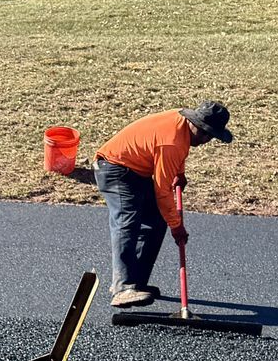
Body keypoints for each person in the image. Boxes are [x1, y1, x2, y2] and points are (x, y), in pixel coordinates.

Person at [93, 101, 234, 307]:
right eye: (206, 134)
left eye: (211, 136)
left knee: (156, 220)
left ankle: (136, 283)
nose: (206, 140)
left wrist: (180, 173)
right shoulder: (172, 142)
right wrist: (177, 227)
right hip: (115, 168)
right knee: (127, 221)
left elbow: (175, 153)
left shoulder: (181, 126)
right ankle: (122, 288)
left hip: (135, 170)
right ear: (195, 124)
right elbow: (163, 192)